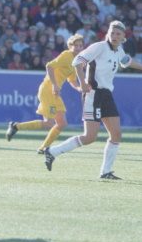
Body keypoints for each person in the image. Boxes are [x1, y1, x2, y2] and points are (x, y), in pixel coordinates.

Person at [44, 21, 142, 180]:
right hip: (93, 94)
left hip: (107, 95)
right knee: (89, 137)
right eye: (112, 32)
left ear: (124, 36)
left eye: (118, 34)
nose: (114, 36)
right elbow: (77, 62)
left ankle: (106, 172)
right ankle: (52, 152)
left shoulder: (119, 51)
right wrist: (82, 83)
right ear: (108, 33)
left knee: (116, 134)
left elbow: (128, 62)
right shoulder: (99, 47)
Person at [6, 34, 84, 153]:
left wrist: (79, 88)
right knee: (50, 123)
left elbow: (72, 80)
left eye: (80, 46)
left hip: (55, 92)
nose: (78, 48)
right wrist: (54, 84)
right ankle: (20, 130)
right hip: (48, 90)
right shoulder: (66, 55)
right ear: (70, 46)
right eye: (75, 45)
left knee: (61, 123)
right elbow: (49, 66)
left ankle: (20, 130)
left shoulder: (76, 61)